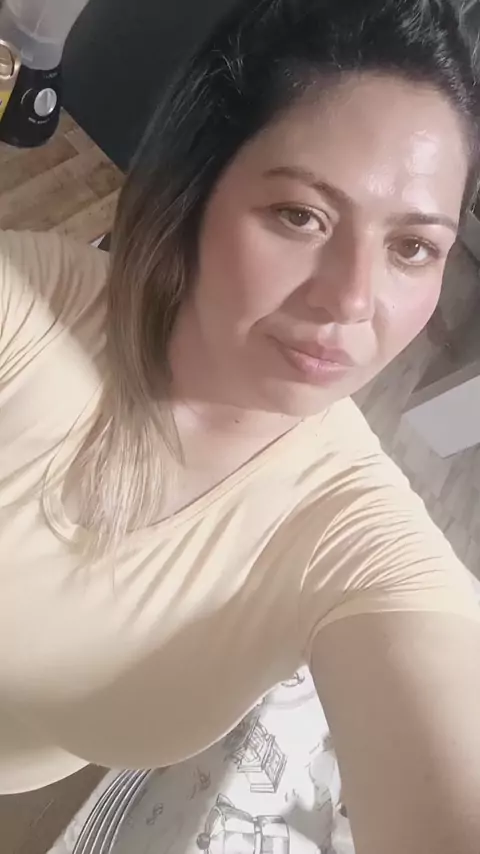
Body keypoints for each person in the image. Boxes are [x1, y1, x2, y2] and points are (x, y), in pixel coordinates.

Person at [1, 0, 479, 851]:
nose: (352, 301)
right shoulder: (23, 323)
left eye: (412, 247)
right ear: (195, 189)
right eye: (302, 215)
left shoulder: (358, 541)